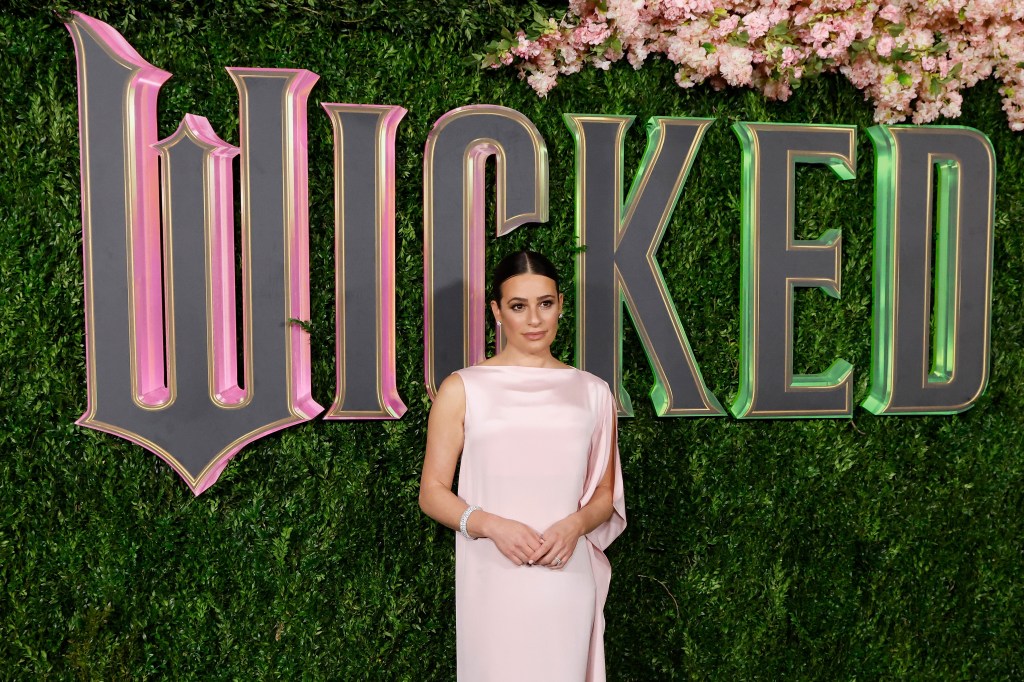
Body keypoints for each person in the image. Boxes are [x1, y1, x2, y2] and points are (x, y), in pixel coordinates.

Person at [419, 250, 626, 681]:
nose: (534, 319)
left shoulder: (593, 393)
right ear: (497, 311)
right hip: (493, 579)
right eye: (518, 306)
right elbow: (432, 492)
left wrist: (572, 528)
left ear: (560, 305)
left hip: (564, 577)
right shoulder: (462, 388)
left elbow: (605, 496)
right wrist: (493, 525)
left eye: (545, 303)